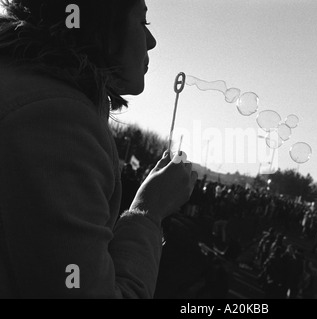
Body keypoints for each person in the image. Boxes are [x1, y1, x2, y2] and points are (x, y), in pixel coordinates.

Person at [0, 0, 197, 298]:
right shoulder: (57, 122)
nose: (152, 41)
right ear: (101, 22)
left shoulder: (25, 86)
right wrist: (148, 212)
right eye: (143, 22)